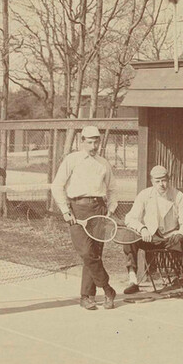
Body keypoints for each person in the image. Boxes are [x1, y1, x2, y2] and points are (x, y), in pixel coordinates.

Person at [51, 125, 118, 311]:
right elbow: (57, 186)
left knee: (94, 254)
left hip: (99, 209)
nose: (93, 145)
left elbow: (112, 188)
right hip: (77, 210)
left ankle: (86, 296)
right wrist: (65, 210)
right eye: (89, 141)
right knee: (86, 253)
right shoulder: (72, 160)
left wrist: (111, 208)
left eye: (96, 141)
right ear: (82, 141)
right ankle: (107, 288)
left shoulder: (103, 163)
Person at [122, 165, 183, 301]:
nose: (161, 184)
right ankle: (133, 280)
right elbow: (130, 218)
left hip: (171, 238)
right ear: (152, 181)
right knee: (129, 235)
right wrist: (142, 228)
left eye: (164, 180)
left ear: (168, 179)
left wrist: (180, 234)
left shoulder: (178, 196)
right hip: (150, 238)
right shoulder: (144, 195)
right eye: (157, 181)